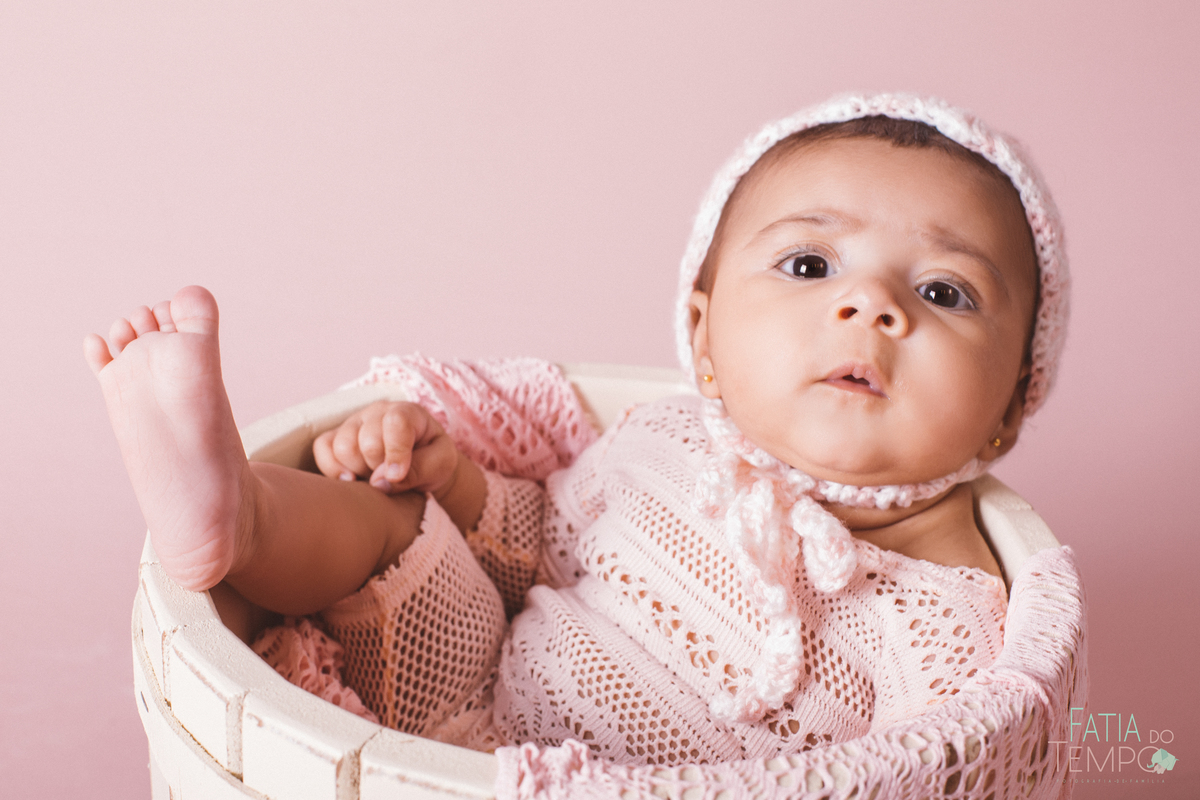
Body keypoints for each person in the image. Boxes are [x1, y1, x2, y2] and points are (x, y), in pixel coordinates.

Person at [86, 95, 1078, 785]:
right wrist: (459, 482)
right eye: (811, 262)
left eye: (943, 290)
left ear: (1010, 404)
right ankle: (240, 513)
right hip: (453, 703)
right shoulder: (671, 441)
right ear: (703, 336)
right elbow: (545, 545)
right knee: (399, 523)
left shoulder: (956, 616)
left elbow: (924, 773)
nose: (870, 305)